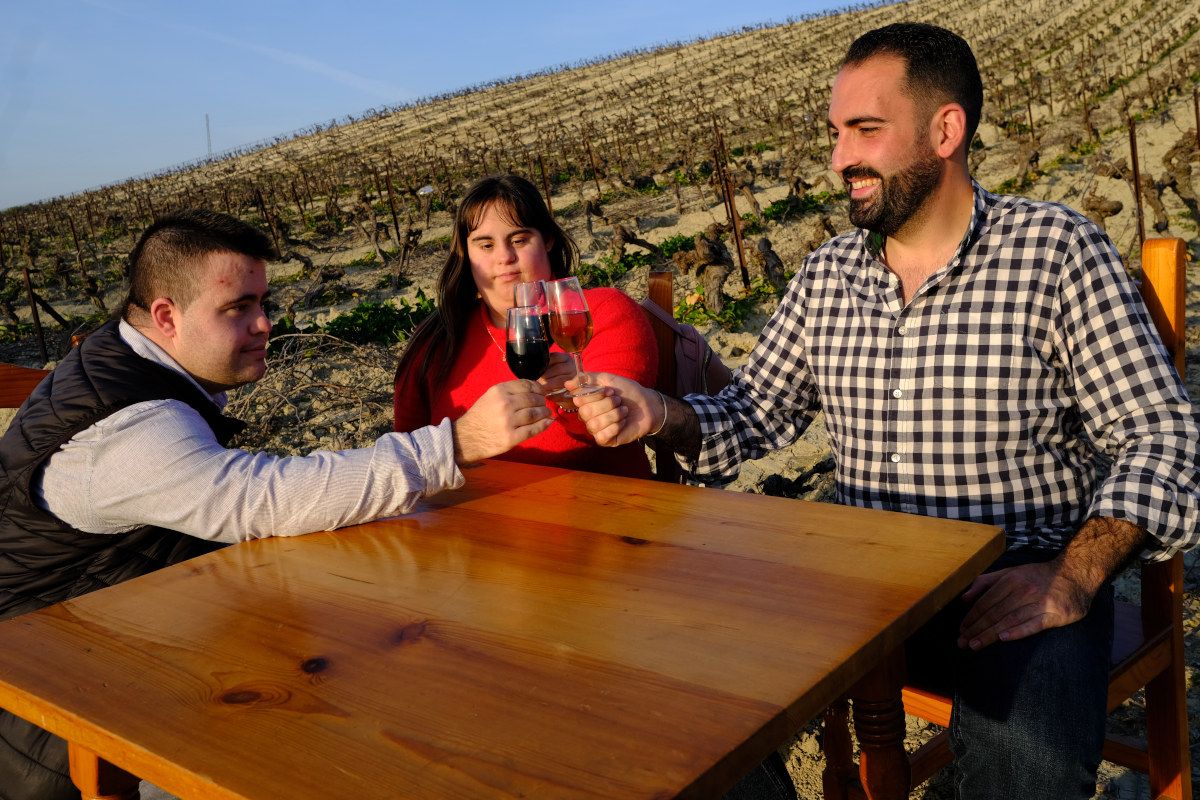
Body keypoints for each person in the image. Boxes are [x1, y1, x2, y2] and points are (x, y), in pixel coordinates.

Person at [572, 22, 1200, 800]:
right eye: (836, 134)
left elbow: (1162, 437)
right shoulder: (827, 274)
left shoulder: (1056, 251)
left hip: (1013, 575)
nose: (840, 159)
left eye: (865, 130)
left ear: (946, 131)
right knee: (677, 687)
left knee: (1025, 763)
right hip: (858, 580)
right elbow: (755, 412)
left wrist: (1072, 574)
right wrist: (659, 414)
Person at [0, 209, 552, 799]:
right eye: (237, 308)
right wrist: (455, 444)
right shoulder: (130, 430)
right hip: (64, 712)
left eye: (263, 301)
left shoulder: (127, 359)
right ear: (165, 316)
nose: (265, 323)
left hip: (137, 630)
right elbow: (265, 498)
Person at [393, 174, 658, 479]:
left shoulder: (601, 313)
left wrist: (571, 401)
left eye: (519, 240)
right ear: (466, 254)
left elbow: (614, 425)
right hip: (469, 508)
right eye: (486, 245)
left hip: (603, 505)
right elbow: (407, 457)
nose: (504, 257)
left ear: (547, 239)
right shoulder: (437, 339)